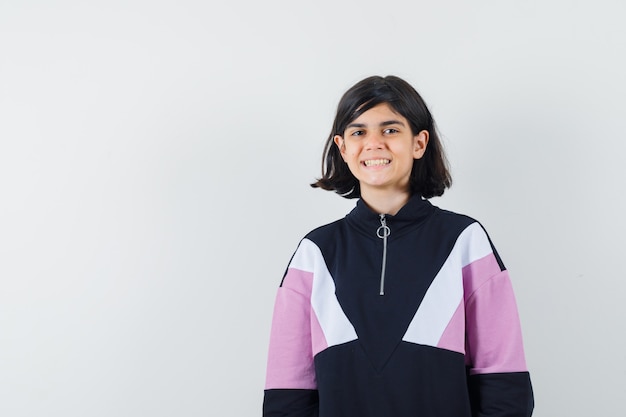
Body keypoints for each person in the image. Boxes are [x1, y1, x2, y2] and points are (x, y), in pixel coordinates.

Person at [263, 75, 534, 417]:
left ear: (419, 143)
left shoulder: (465, 241)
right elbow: (287, 390)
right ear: (342, 147)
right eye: (358, 132)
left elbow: (504, 379)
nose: (374, 143)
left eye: (390, 130)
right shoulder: (315, 251)